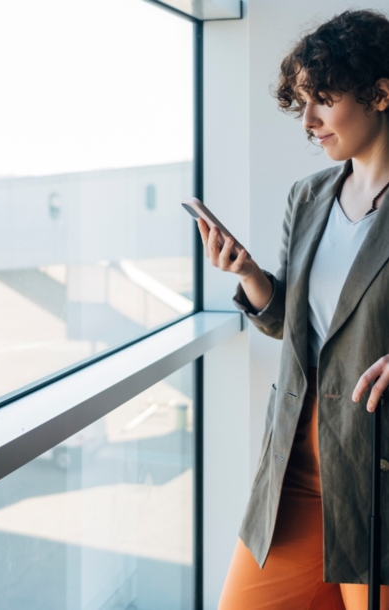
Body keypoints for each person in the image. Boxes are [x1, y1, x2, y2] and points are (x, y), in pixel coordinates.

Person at [198, 10, 389, 610]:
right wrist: (251, 277)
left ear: (381, 93)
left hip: (376, 474)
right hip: (294, 471)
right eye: (302, 103)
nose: (307, 122)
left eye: (322, 100)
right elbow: (295, 327)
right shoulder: (307, 197)